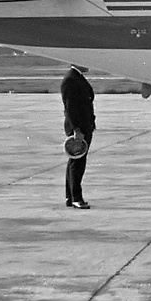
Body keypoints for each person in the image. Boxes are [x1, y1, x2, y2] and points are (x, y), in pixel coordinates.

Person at [60, 65, 95, 209]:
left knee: (75, 161)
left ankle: (70, 196)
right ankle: (76, 197)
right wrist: (76, 129)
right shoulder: (71, 80)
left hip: (84, 126)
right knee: (77, 163)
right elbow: (70, 108)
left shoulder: (77, 77)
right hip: (79, 128)